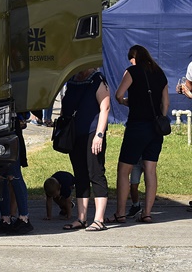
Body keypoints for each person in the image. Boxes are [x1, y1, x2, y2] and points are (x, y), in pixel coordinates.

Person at [107, 44, 169, 224]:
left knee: (123, 170)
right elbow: (165, 103)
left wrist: (127, 102)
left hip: (137, 126)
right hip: (155, 129)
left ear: (134, 58)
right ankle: (147, 213)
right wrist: (159, 118)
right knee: (150, 170)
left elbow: (119, 95)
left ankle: (120, 213)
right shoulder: (160, 73)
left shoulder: (132, 71)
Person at [60, 68, 110, 231]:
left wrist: (99, 134)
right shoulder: (72, 80)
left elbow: (105, 108)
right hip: (75, 135)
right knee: (80, 175)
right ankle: (81, 218)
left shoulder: (97, 79)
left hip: (93, 133)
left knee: (96, 173)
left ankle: (99, 219)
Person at [0, 113, 33, 234]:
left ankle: (23, 218)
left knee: (14, 176)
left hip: (9, 130)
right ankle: (6, 219)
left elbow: (25, 112)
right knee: (2, 177)